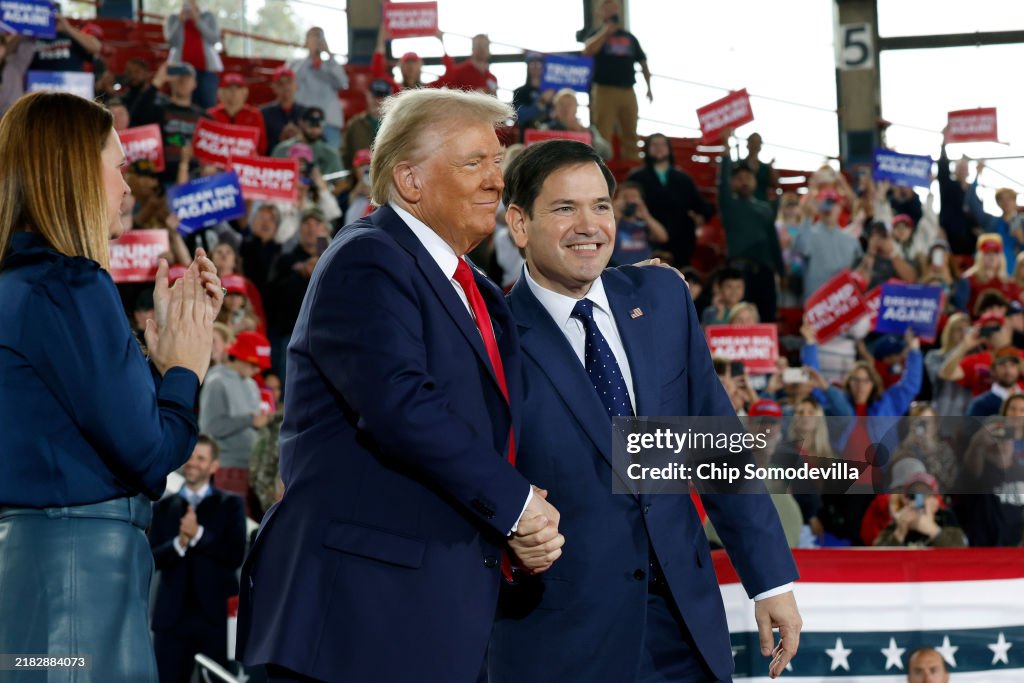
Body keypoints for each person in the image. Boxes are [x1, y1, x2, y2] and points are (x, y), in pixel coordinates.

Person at [236, 88, 563, 682]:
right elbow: (401, 407)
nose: (497, 181)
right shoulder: (369, 259)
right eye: (474, 163)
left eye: (498, 163)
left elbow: (498, 430)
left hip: (436, 616)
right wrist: (517, 508)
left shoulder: (482, 292)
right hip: (359, 621)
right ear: (410, 180)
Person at [491, 139, 801, 682]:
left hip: (683, 625)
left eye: (601, 206)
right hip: (561, 639)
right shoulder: (488, 335)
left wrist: (770, 580)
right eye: (565, 208)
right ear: (519, 223)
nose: (589, 225)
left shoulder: (662, 297)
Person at [0, 92, 221, 681]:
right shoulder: (70, 283)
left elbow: (80, 424)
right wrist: (184, 367)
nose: (128, 185)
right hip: (77, 574)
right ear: (73, 168)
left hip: (31, 575)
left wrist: (157, 363)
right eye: (119, 165)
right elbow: (148, 454)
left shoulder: (22, 284)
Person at [149, 436, 247, 682]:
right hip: (171, 619)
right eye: (191, 457)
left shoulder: (231, 504)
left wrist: (198, 535)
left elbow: (234, 555)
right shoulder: (163, 507)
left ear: (214, 466)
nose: (193, 463)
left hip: (214, 619)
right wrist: (179, 543)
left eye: (201, 458)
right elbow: (152, 558)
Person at [718, 136, 784, 322]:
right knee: (739, 319)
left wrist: (781, 271)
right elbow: (722, 184)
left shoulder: (765, 208)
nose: (744, 181)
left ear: (755, 181)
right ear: (732, 183)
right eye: (738, 178)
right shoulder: (729, 204)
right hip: (740, 271)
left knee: (767, 319)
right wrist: (725, 153)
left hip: (765, 272)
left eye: (748, 177)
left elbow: (773, 241)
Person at [626, 133, 713, 268]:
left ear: (669, 149)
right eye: (654, 145)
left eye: (662, 144)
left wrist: (701, 217)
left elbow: (702, 206)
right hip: (647, 240)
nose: (659, 148)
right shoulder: (636, 177)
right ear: (647, 149)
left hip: (681, 241)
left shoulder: (684, 178)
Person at [582, 0, 651, 162]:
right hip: (604, 90)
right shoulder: (596, 34)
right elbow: (587, 51)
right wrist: (606, 33)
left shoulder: (630, 38)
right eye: (607, 8)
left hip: (628, 90)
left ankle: (632, 163)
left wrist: (649, 87)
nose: (612, 10)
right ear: (600, 13)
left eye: (614, 7)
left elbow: (643, 62)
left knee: (630, 130)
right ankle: (602, 164)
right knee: (603, 130)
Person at [290, 27, 348, 150]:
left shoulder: (330, 65)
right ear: (306, 42)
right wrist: (310, 57)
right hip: (304, 123)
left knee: (331, 159)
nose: (316, 40)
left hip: (329, 124)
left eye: (319, 37)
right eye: (312, 37)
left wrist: (329, 54)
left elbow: (343, 83)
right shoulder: (295, 63)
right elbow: (292, 81)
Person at [164, 0, 223, 110]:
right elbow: (171, 42)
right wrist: (180, 21)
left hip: (206, 70)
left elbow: (214, 39)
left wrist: (197, 20)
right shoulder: (173, 18)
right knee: (180, 105)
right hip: (180, 71)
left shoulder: (208, 16)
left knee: (208, 106)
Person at [208, 71, 268, 156]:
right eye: (229, 88)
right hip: (216, 161)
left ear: (245, 92)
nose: (234, 92)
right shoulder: (211, 114)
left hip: (246, 162)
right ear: (221, 92)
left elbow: (261, 146)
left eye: (238, 88)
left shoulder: (254, 114)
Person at [432, 33, 498, 95]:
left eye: (485, 46)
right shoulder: (458, 72)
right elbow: (439, 86)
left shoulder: (492, 78)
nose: (482, 49)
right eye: (479, 46)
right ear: (472, 49)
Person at [260, 66, 306, 149]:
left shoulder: (306, 112)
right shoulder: (263, 113)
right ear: (274, 87)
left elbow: (318, 143)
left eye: (289, 82)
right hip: (272, 158)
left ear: (296, 85)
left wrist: (301, 137)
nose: (286, 86)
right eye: (280, 83)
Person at [0, 35, 34, 116]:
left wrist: (20, 31)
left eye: (1, 46)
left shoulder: (14, 64)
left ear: (4, 49)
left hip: (13, 118)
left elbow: (27, 47)